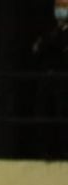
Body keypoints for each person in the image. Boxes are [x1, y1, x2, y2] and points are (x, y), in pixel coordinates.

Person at [31, 0, 68, 159]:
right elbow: (36, 49)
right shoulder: (48, 30)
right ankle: (45, 152)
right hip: (47, 77)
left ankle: (64, 152)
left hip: (63, 80)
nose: (60, 10)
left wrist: (50, 44)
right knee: (44, 114)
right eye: (58, 6)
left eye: (64, 7)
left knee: (62, 115)